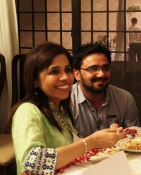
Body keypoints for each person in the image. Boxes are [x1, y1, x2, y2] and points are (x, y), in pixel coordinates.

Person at [7, 42, 125, 175]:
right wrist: (92, 141)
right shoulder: (27, 111)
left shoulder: (60, 110)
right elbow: (32, 163)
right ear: (35, 80)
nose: (65, 78)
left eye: (67, 70)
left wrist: (107, 136)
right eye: (54, 71)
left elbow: (73, 150)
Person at [71, 43, 140, 137]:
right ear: (77, 74)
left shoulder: (125, 99)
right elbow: (58, 147)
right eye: (93, 69)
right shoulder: (65, 101)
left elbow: (134, 139)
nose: (101, 74)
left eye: (105, 68)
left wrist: (123, 136)